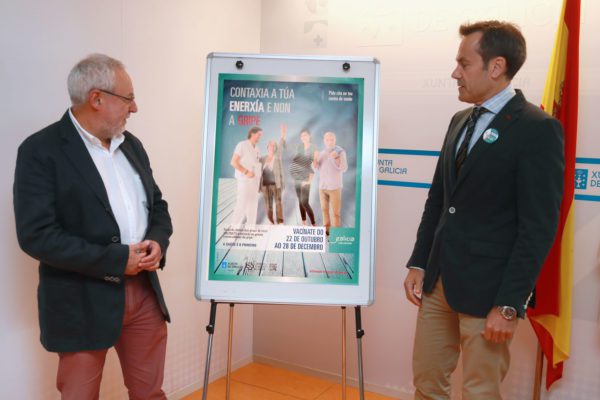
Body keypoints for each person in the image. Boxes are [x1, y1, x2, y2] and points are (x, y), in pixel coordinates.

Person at [403, 21, 564, 399]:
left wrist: (509, 304)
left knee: (480, 392)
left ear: (496, 67)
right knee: (426, 382)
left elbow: (538, 227)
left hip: (490, 292)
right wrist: (419, 262)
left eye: (464, 63)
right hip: (437, 283)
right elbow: (439, 200)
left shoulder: (537, 128)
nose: (455, 73)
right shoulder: (459, 121)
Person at [13, 54, 173, 399]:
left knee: (150, 393)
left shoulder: (132, 146)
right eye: (128, 98)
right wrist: (117, 260)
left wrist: (158, 241)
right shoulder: (41, 150)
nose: (134, 108)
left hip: (144, 292)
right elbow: (36, 235)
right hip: (80, 301)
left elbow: (158, 206)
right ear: (96, 98)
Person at [314, 131, 348, 234]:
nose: (329, 142)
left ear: (335, 140)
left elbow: (344, 168)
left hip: (335, 187)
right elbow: (315, 167)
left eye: (331, 139)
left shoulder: (340, 152)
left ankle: (336, 233)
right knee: (324, 210)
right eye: (327, 140)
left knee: (335, 213)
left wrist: (336, 158)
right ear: (324, 141)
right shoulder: (322, 153)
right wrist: (314, 158)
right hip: (322, 187)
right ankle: (327, 231)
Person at [286, 126, 318, 226]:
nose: (303, 137)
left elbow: (313, 167)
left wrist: (308, 181)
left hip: (305, 178)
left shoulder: (313, 148)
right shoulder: (299, 147)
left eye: (305, 135)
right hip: (297, 178)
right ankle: (304, 222)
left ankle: (313, 224)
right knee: (300, 201)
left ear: (309, 136)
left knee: (305, 202)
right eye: (302, 136)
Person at [230, 126, 262, 225]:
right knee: (241, 204)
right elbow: (233, 162)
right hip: (244, 180)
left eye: (261, 135)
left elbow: (257, 164)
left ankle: (251, 229)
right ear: (252, 133)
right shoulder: (242, 145)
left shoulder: (257, 149)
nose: (260, 137)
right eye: (259, 135)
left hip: (255, 181)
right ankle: (233, 230)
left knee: (253, 206)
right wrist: (246, 172)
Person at [260, 135, 285, 224]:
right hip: (265, 185)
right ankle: (270, 219)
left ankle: (280, 221)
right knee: (268, 204)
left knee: (278, 202)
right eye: (270, 145)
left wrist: (283, 135)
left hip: (276, 184)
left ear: (275, 148)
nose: (272, 146)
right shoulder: (262, 159)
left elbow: (281, 146)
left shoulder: (277, 157)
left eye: (274, 145)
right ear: (267, 147)